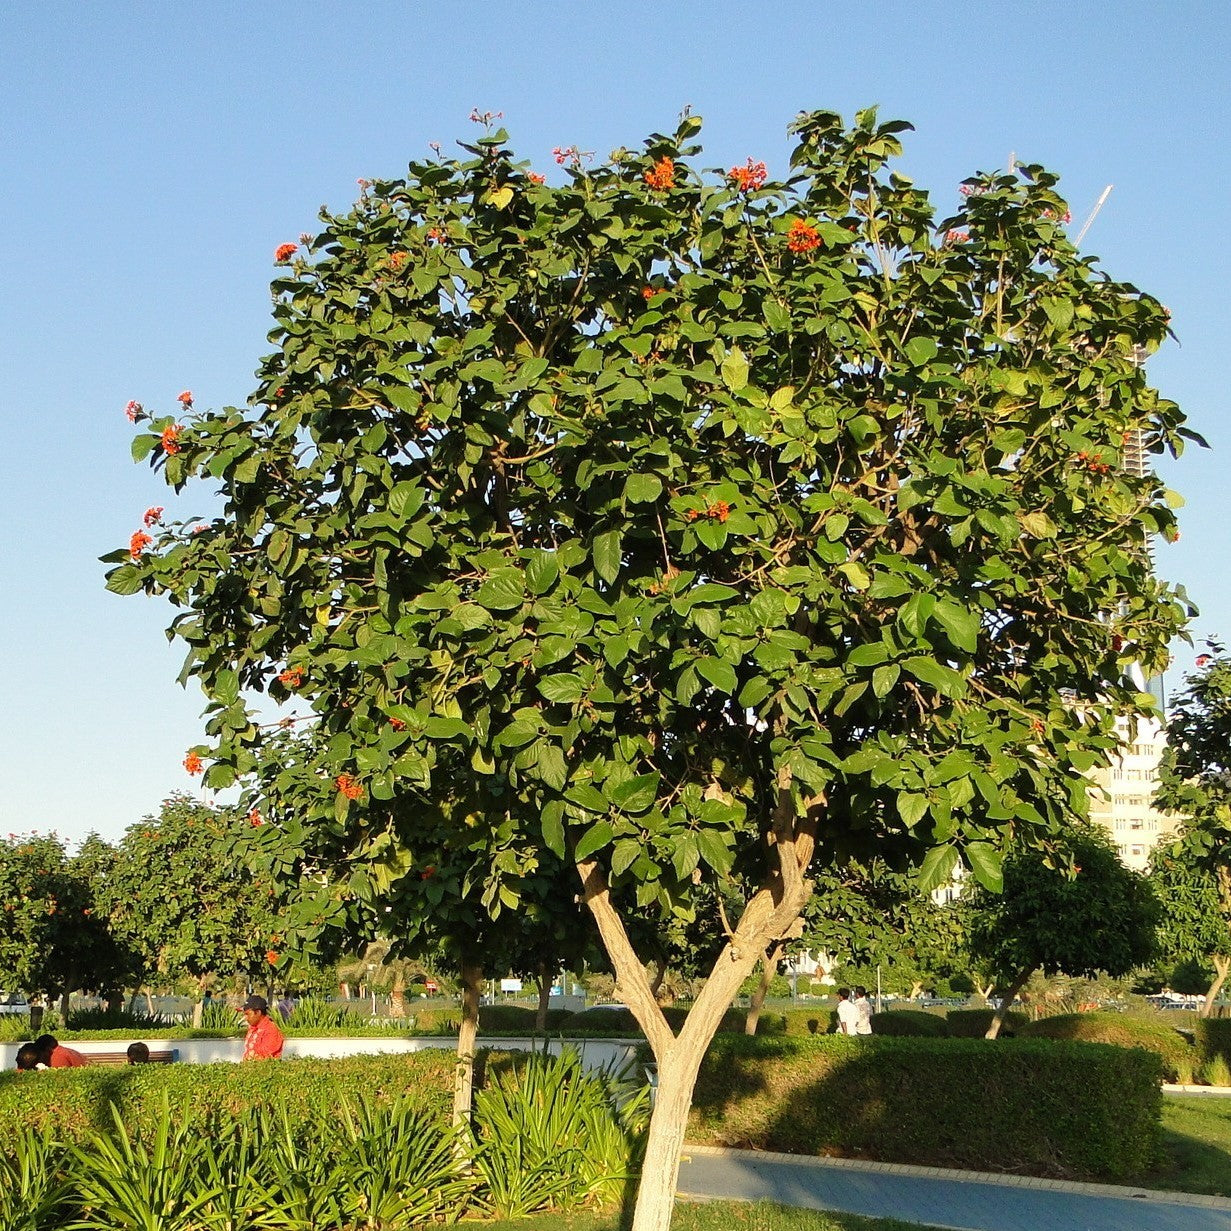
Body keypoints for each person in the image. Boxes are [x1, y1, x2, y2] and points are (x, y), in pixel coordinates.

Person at [240, 994, 284, 1060]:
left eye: (247, 1014)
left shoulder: (271, 1030)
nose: (245, 1018)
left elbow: (264, 1058)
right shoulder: (252, 1028)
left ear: (258, 1012)